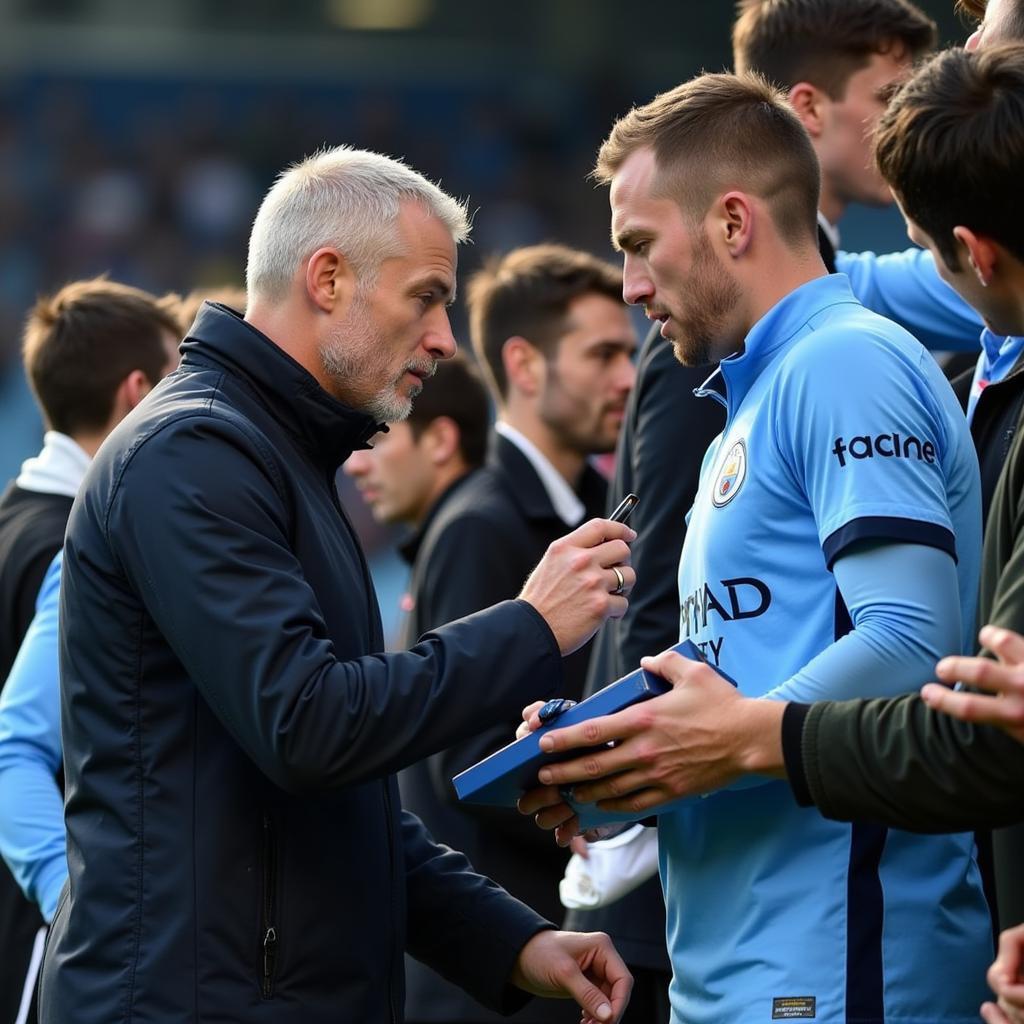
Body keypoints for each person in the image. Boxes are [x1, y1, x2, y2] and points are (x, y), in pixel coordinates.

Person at [38, 148, 635, 1024]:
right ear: (327, 279)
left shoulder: (281, 457)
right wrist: (530, 625)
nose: (443, 338)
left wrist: (509, 940)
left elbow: (340, 804)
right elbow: (310, 727)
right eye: (426, 297)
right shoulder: (191, 455)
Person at [522, 71, 994, 1024]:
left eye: (640, 245)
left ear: (733, 222)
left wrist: (721, 742)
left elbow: (914, 641)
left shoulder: (846, 362)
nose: (631, 286)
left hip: (847, 963)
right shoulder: (757, 396)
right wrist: (618, 752)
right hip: (747, 969)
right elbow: (752, 678)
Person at [381, 244, 637, 1024]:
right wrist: (618, 810)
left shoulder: (610, 506)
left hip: (566, 943)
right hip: (500, 970)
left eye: (629, 352)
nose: (627, 376)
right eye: (602, 354)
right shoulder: (479, 525)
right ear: (524, 366)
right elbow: (460, 754)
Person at [0, 278, 181, 1024]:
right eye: (177, 386)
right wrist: (69, 901)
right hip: (50, 936)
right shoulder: (78, 545)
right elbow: (14, 750)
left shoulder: (15, 521)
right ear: (136, 391)